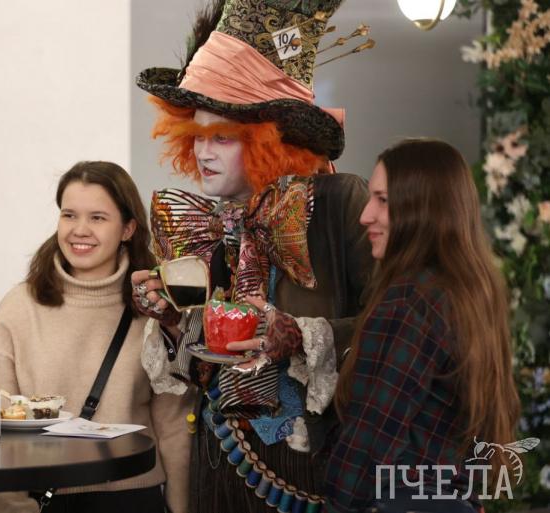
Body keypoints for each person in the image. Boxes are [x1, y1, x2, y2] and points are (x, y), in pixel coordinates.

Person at [131, 1, 374, 511]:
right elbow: (203, 366)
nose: (203, 153)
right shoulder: (211, 223)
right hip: (220, 467)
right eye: (197, 137)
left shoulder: (340, 202)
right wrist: (173, 322)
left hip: (313, 471)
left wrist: (303, 336)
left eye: (222, 137)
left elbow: (390, 326)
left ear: (272, 140)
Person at [0, 161, 193, 513]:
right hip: (41, 500)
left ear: (127, 229)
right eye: (69, 215)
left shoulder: (156, 309)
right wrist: (10, 507)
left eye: (97, 218)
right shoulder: (19, 306)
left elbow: (173, 424)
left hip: (133, 498)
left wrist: (181, 508)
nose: (79, 230)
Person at [324, 139, 521, 513]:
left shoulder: (410, 300)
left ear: (424, 209)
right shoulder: (470, 293)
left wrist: (334, 504)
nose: (365, 215)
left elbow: (368, 442)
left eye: (383, 200)